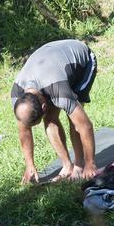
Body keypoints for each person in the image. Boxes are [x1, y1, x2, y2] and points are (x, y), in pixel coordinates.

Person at [11, 39, 98, 184]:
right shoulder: (17, 95)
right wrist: (29, 164)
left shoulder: (59, 89)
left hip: (82, 61)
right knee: (50, 119)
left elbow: (85, 126)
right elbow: (23, 131)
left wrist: (90, 163)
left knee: (74, 119)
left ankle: (79, 164)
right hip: (50, 62)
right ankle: (67, 165)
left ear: (44, 106)